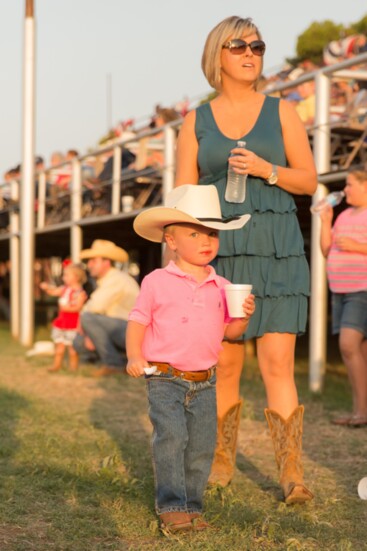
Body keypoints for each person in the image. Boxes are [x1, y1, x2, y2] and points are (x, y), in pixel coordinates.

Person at [174, 16, 317, 504]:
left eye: (257, 45)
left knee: (278, 363)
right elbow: (182, 196)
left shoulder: (283, 112)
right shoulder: (196, 120)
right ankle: (221, 463)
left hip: (278, 248)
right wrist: (183, 263)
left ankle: (291, 475)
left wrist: (267, 169)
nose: (251, 52)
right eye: (239, 46)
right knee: (227, 363)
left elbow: (310, 181)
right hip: (222, 251)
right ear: (218, 56)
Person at [126, 184, 255, 532]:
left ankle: (192, 507)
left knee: (200, 445)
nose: (206, 241)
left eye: (212, 233)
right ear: (171, 240)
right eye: (194, 233)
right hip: (165, 377)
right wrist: (134, 355)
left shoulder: (221, 284)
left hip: (205, 380)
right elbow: (138, 319)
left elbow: (230, 334)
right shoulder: (156, 281)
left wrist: (242, 315)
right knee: (171, 439)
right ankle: (171, 507)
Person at [320, 167, 367, 427]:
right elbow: (326, 249)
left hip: (361, 288)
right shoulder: (344, 216)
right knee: (358, 351)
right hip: (340, 289)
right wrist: (326, 222)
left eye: (350, 185)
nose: (345, 190)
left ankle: (361, 413)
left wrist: (358, 247)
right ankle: (360, 410)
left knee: (348, 345)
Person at [73, 240, 140, 377]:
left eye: (93, 260)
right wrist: (89, 332)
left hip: (131, 331)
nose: (89, 264)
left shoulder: (115, 279)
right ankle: (122, 359)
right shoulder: (108, 279)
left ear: (106, 262)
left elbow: (94, 308)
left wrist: (88, 328)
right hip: (118, 329)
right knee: (78, 342)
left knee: (87, 319)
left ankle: (113, 364)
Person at [40, 260, 87, 372]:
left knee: (72, 349)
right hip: (61, 322)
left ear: (76, 277)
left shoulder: (80, 293)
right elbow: (53, 292)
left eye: (66, 275)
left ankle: (73, 367)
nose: (63, 277)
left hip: (73, 324)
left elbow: (78, 308)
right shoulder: (64, 289)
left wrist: (66, 308)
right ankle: (56, 365)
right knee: (59, 347)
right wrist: (47, 288)